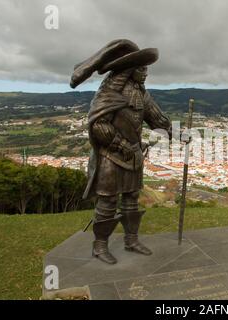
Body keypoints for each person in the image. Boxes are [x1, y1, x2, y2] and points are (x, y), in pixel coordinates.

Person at [70, 39, 185, 264]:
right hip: (110, 157)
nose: (146, 73)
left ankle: (131, 240)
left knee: (132, 198)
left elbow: (157, 119)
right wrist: (122, 146)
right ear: (129, 70)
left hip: (134, 155)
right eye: (142, 69)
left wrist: (178, 133)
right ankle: (99, 245)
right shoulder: (108, 93)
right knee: (107, 202)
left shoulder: (142, 94)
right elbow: (100, 126)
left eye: (146, 69)